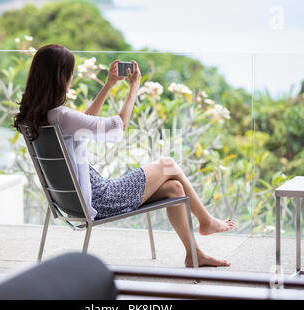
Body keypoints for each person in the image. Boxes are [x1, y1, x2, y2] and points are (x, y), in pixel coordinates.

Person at [14, 44, 234, 267]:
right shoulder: (62, 116)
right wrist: (134, 88)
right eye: (70, 73)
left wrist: (108, 85)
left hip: (72, 202)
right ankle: (206, 221)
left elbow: (82, 122)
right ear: (61, 77)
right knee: (168, 164)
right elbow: (117, 127)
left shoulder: (36, 117)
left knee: (175, 188)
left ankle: (194, 254)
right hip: (101, 200)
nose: (71, 79)